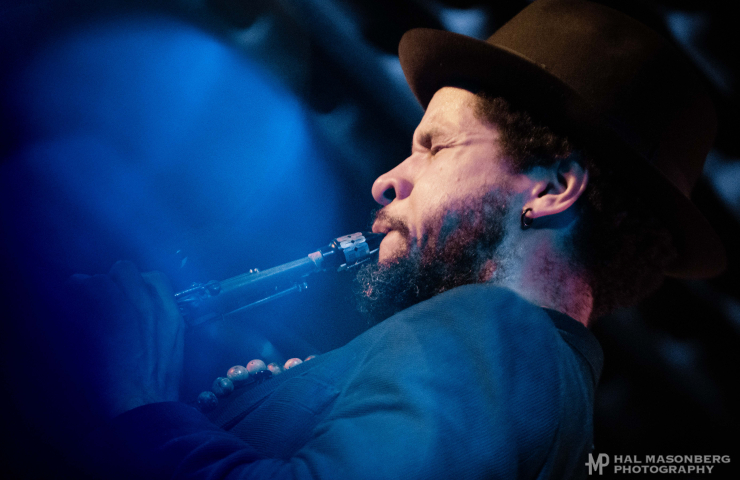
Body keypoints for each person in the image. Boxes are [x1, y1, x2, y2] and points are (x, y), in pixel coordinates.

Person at [54, 0, 725, 478]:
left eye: (433, 148)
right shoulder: (546, 384)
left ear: (553, 188)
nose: (386, 181)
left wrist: (136, 400)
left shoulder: (495, 329)